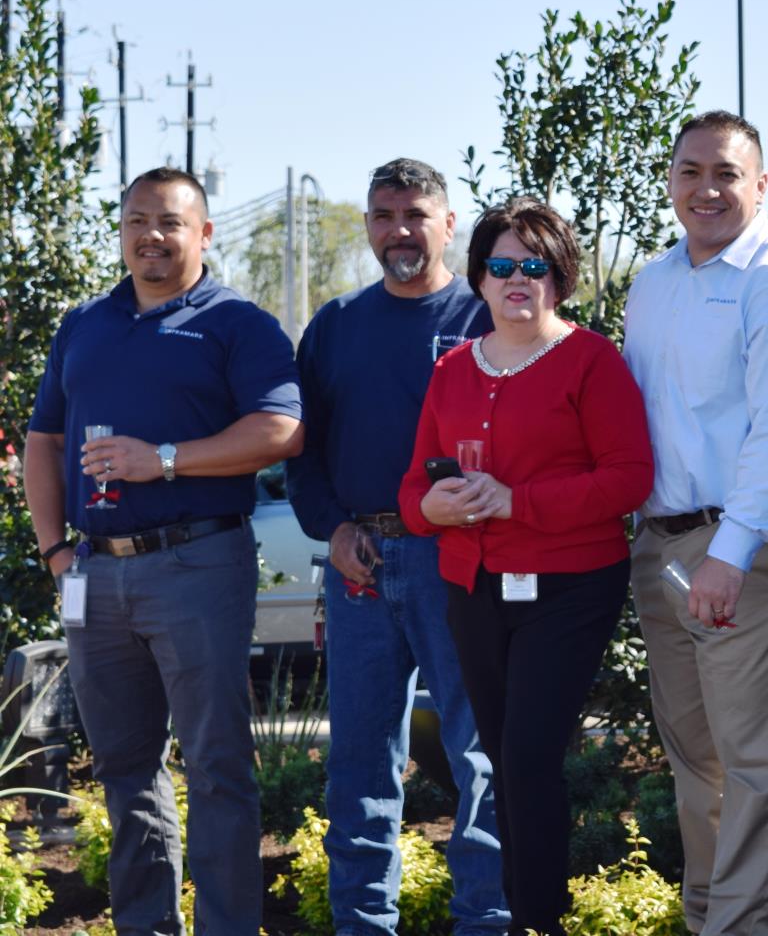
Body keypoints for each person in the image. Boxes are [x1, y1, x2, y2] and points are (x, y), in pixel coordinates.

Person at [24, 166, 304, 935]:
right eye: (137, 220)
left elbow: (282, 429)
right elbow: (43, 439)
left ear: (203, 233)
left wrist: (166, 458)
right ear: (122, 232)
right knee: (124, 768)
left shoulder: (237, 323)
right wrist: (56, 553)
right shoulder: (86, 322)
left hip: (198, 563)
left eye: (170, 222)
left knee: (216, 767)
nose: (151, 235)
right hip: (96, 572)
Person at [399, 196, 653, 936]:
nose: (517, 279)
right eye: (502, 265)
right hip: (474, 588)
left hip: (570, 588)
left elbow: (628, 477)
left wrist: (516, 500)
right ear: (478, 278)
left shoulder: (591, 360)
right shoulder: (451, 369)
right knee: (504, 762)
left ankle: (539, 921)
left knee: (529, 754)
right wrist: (433, 510)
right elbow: (413, 490)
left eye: (534, 265)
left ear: (559, 276)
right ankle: (526, 916)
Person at [620, 110, 768, 935]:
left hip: (742, 552)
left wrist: (733, 552)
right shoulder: (654, 281)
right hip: (661, 546)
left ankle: (737, 926)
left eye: (726, 173)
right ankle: (706, 916)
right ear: (671, 180)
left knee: (752, 766)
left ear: (762, 184)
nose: (706, 189)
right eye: (690, 172)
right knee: (695, 762)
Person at [288, 158, 507, 935]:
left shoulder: (486, 317)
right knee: (358, 766)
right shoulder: (336, 324)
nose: (399, 231)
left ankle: (485, 921)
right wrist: (334, 528)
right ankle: (363, 924)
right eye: (383, 216)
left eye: (416, 214)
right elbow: (302, 450)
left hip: (458, 561)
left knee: (477, 758)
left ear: (449, 224)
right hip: (361, 563)